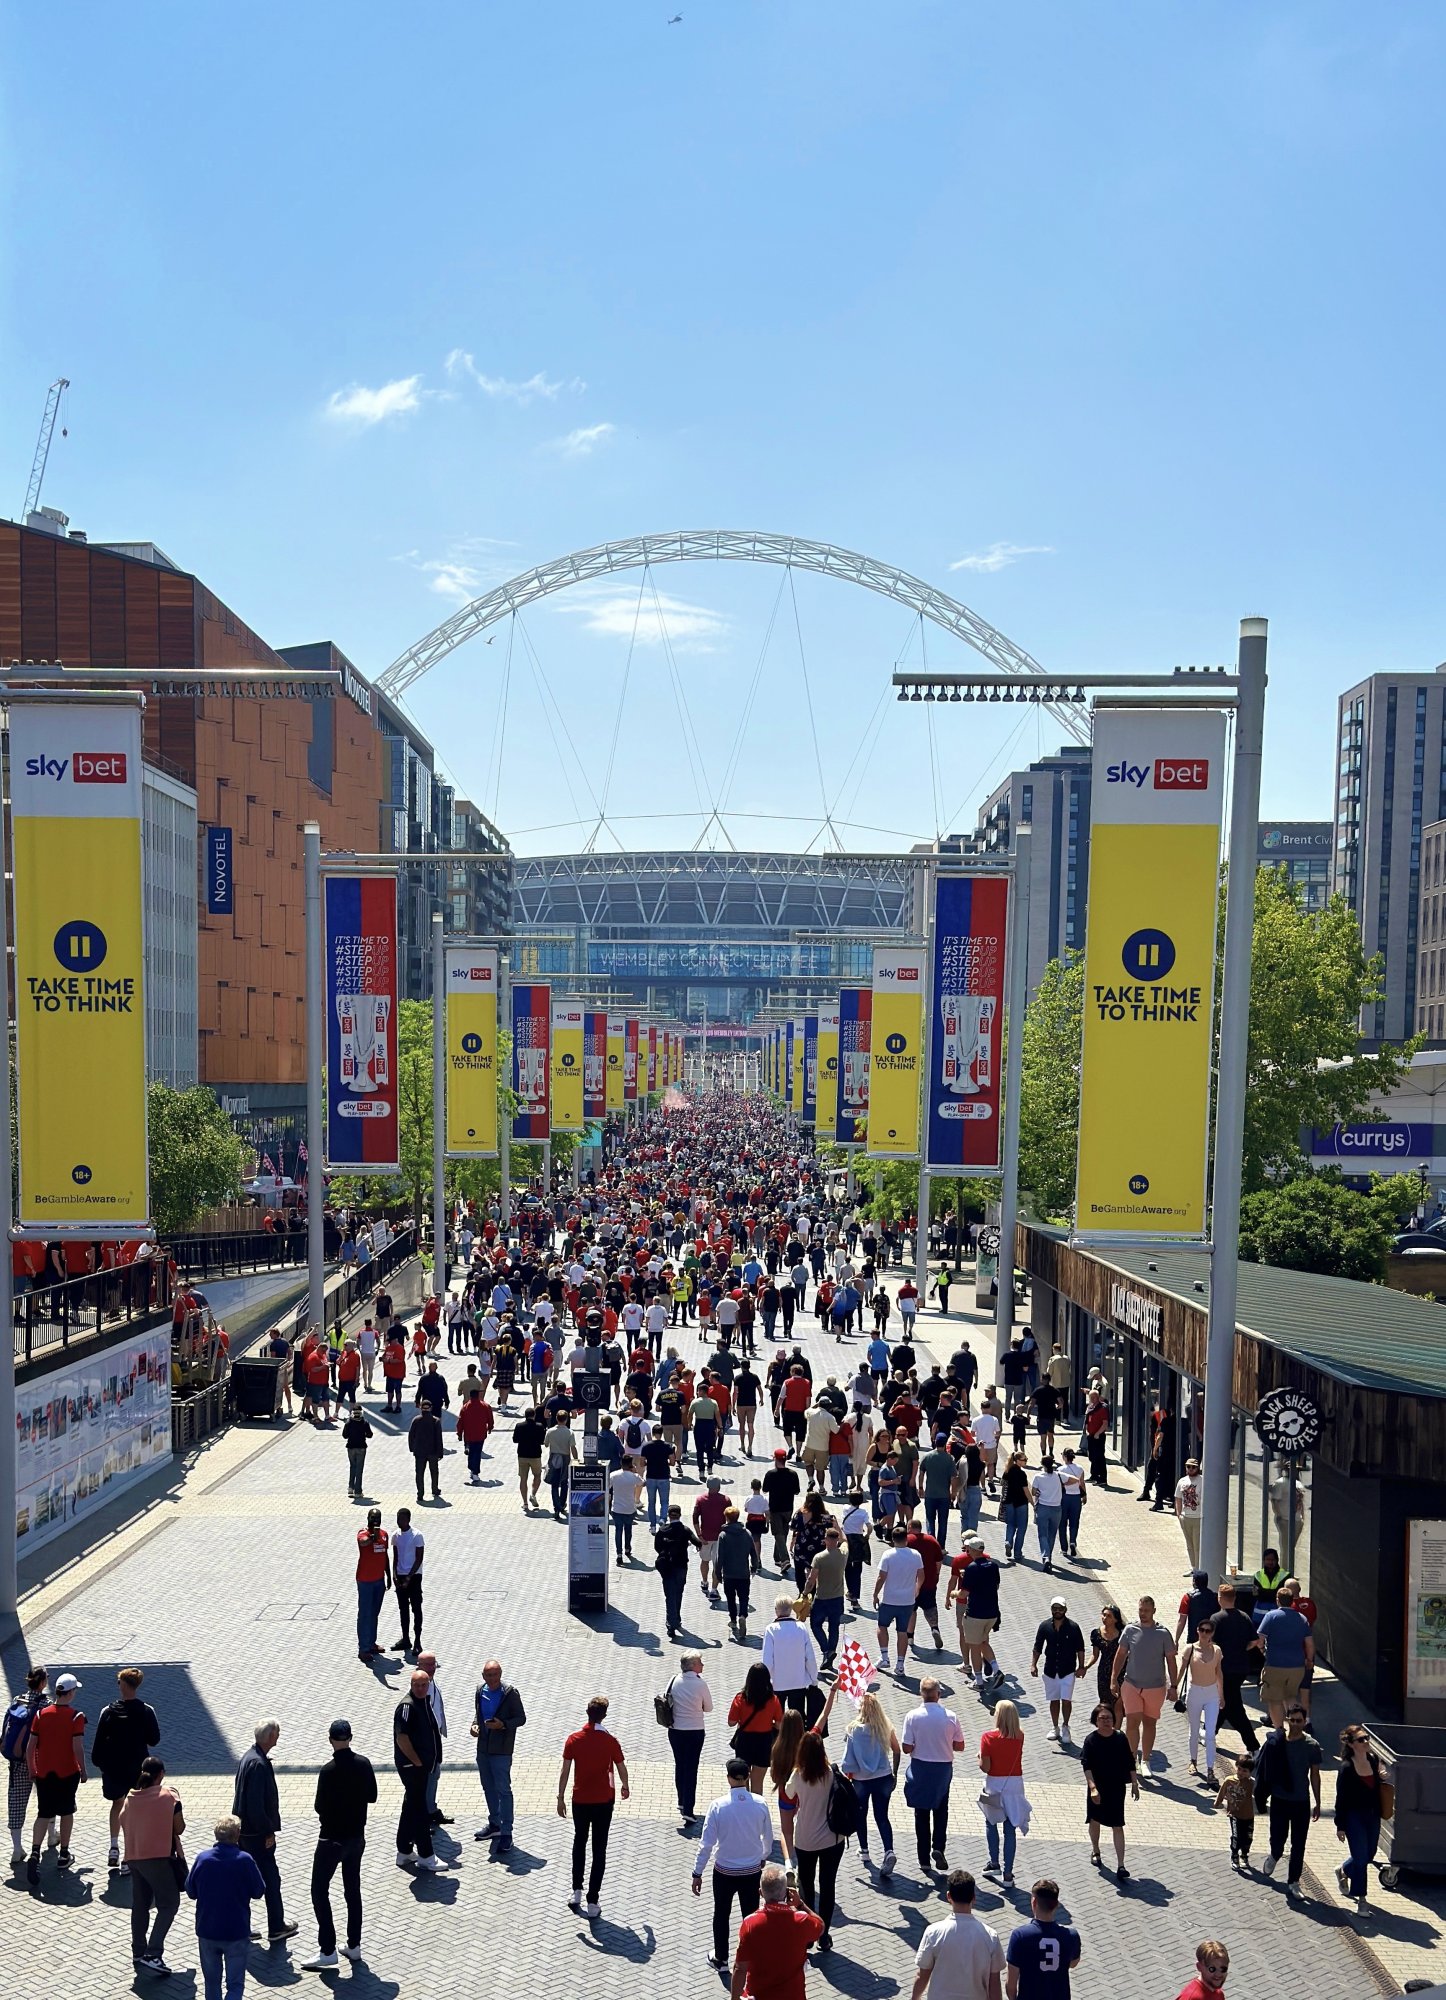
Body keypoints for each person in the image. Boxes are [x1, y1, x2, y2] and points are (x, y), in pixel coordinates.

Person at [301, 1719, 377, 1971]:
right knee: (352, 1891)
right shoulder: (364, 1764)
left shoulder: (328, 1771)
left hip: (331, 1839)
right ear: (351, 1737)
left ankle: (327, 1949)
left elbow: (319, 1806)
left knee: (319, 1890)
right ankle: (353, 1945)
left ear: (330, 1739)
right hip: (356, 1838)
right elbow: (373, 1796)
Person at [693, 1754, 775, 1972]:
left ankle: (721, 1958)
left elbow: (706, 1844)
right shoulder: (760, 1804)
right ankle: (751, 1957)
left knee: (721, 1914)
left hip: (724, 1872)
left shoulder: (718, 1806)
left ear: (729, 1778)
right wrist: (762, 1858)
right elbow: (768, 1838)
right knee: (751, 1916)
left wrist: (697, 1872)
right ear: (748, 1777)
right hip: (751, 1871)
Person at [558, 1694, 629, 1919]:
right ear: (604, 1715)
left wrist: (560, 1797)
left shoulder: (574, 1739)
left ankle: (576, 1890)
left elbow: (565, 1770)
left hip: (580, 1800)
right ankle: (593, 1899)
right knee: (599, 1849)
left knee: (579, 1842)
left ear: (587, 1713)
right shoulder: (610, 1741)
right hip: (603, 1801)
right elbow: (620, 1766)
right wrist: (625, 1786)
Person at [779, 1720, 844, 1951]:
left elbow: (787, 1793)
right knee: (828, 1886)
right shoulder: (830, 1773)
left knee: (806, 1885)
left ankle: (807, 1934)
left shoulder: (798, 1775)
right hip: (832, 1840)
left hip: (805, 1840)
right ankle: (823, 1935)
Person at [185, 1816, 266, 2000]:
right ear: (237, 1835)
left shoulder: (203, 1859)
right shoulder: (245, 1860)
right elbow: (259, 1891)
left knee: (212, 1983)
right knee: (235, 1984)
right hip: (236, 1931)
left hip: (207, 1930)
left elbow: (190, 1890)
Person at [120, 1756, 185, 1976]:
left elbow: (122, 1820)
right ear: (162, 1774)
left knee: (140, 1904)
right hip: (157, 1859)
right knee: (169, 1903)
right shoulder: (168, 1796)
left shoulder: (131, 1797)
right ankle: (153, 1953)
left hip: (134, 1858)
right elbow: (180, 1827)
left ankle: (138, 1951)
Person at [93, 1666, 161, 1872]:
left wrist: (102, 1765)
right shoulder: (147, 1710)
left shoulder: (108, 1711)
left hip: (114, 1769)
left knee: (117, 1805)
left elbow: (97, 1747)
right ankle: (128, 1856)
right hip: (137, 1768)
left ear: (123, 1684)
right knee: (134, 1810)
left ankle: (114, 1846)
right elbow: (154, 1739)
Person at [233, 1717, 295, 1942]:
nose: (277, 1741)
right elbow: (257, 1805)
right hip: (256, 1834)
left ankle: (242, 1926)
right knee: (271, 1879)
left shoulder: (248, 1757)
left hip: (243, 1832)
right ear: (269, 1737)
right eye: (276, 1736)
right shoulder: (259, 1764)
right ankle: (276, 1926)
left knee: (244, 1879)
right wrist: (268, 1831)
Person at [25, 1668, 88, 1882]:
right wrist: (84, 1770)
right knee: (66, 1811)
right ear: (70, 1693)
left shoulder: (41, 1714)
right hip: (67, 1772)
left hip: (44, 1773)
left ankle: (34, 1853)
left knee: (44, 1813)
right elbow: (77, 1747)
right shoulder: (76, 1717)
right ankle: (64, 1854)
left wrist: (32, 1769)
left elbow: (30, 1746)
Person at [1254, 1702, 1321, 1899]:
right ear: (1287, 1720)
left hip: (1301, 1801)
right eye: (1292, 1720)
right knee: (1278, 1838)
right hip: (1280, 1800)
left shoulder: (1312, 1746)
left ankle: (1293, 1881)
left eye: (1299, 1721)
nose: (1295, 1724)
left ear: (1304, 1721)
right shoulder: (1277, 1742)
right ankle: (1274, 1855)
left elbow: (1315, 1775)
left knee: (1299, 1844)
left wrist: (1317, 1801)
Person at [730, 1862, 824, 2000]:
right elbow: (821, 1927)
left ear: (761, 1893)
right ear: (786, 1892)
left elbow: (740, 1968)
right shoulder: (801, 1920)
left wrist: (734, 1998)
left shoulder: (750, 1923)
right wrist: (801, 1904)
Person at [902, 1678, 966, 1875]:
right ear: (938, 1694)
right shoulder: (950, 1717)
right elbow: (960, 1746)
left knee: (921, 1814)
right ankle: (938, 1846)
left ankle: (924, 1860)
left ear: (921, 1694)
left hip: (920, 1767)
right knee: (941, 1809)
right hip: (943, 1769)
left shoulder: (912, 1716)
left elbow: (906, 1748)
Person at [912, 1868, 1005, 2000]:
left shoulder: (933, 1932)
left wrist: (914, 1998)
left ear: (949, 1897)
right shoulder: (990, 1936)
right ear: (974, 1897)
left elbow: (922, 1975)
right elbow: (994, 1983)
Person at [1112, 1597, 1177, 1774]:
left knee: (1149, 1723)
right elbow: (1120, 1655)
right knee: (1132, 1722)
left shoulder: (1163, 1633)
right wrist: (1113, 1679)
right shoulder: (1130, 1630)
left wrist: (1174, 1686)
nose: (1143, 1614)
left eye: (1146, 1611)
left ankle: (1146, 1760)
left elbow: (1171, 1660)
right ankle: (1132, 1759)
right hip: (1131, 1685)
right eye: (1141, 1610)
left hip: (1155, 1688)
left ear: (1154, 1611)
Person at [470, 1658, 526, 1854]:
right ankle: (494, 1824)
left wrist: (502, 1724)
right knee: (488, 1787)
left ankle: (507, 1832)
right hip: (483, 1749)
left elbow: (521, 1718)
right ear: (483, 1676)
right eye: (488, 1675)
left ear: (500, 1675)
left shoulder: (509, 1693)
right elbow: (478, 1713)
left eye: (495, 1675)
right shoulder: (480, 1690)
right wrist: (475, 1725)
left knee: (503, 1790)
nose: (492, 1679)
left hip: (501, 1750)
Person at [841, 1690, 900, 1875]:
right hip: (883, 1777)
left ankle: (864, 1850)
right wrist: (895, 1773)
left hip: (861, 1780)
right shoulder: (885, 1726)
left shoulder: (853, 1730)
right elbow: (897, 1750)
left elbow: (847, 1761)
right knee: (882, 1816)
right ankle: (888, 1850)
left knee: (861, 1815)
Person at [1079, 1701, 1138, 1877]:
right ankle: (1096, 1851)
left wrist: (1134, 1783)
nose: (1106, 1721)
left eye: (1109, 1718)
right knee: (1094, 1820)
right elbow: (1086, 1766)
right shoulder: (1090, 1740)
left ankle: (1121, 1865)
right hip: (1098, 1787)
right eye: (1102, 1718)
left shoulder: (1120, 1738)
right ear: (1095, 1721)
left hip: (1117, 1788)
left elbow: (1130, 1762)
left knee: (1117, 1824)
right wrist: (1092, 1788)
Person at [393, 1668, 442, 1872]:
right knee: (420, 1811)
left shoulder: (425, 1701)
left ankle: (404, 1851)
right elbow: (402, 1738)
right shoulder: (407, 1706)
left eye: (424, 1685)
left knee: (411, 1805)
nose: (421, 1688)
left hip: (421, 1767)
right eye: (417, 1685)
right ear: (411, 1685)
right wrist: (417, 1762)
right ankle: (426, 1855)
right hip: (412, 1767)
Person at [1333, 1723, 1383, 1916]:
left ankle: (1344, 1869)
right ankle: (1362, 1900)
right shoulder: (1346, 1768)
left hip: (1373, 1815)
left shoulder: (1373, 1759)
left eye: (1367, 1738)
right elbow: (1341, 1797)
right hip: (1354, 1817)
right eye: (1361, 1739)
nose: (1366, 1742)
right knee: (1361, 1859)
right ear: (1352, 1744)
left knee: (1368, 1855)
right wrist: (1340, 1825)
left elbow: (1377, 1788)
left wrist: (1382, 1776)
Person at [978, 1700, 1030, 1885]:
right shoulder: (1020, 1736)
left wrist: (979, 1758)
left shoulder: (987, 1738)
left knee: (991, 1823)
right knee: (1010, 1830)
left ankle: (994, 1863)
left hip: (994, 1785)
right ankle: (1008, 1873)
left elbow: (986, 1767)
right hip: (1015, 1785)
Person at [1006, 1878, 1081, 2000]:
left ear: (1034, 1902)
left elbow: (1011, 1983)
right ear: (1056, 1905)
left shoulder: (1020, 1936)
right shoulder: (1071, 1935)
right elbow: (1073, 1963)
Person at [1252, 1585, 1315, 1727]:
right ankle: (1297, 1727)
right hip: (1297, 1666)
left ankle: (1279, 1731)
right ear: (1292, 1600)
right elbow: (1310, 1643)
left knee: (1274, 1700)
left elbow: (1259, 1640)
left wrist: (1263, 1651)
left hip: (1275, 1665)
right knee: (1290, 1697)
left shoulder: (1271, 1616)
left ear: (1277, 1600)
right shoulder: (1302, 1618)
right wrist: (1309, 1661)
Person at [1210, 1582, 1261, 1755]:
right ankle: (1210, 1732)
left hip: (1224, 1669)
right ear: (1234, 1598)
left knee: (1234, 1709)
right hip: (1241, 1668)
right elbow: (1254, 1641)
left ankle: (1253, 1745)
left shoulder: (1216, 1618)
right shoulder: (1244, 1617)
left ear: (1220, 1598)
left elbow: (1211, 1643)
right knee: (1225, 1702)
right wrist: (1242, 1649)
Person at [6, 1665, 47, 1866]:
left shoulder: (17, 1700)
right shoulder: (46, 1705)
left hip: (17, 1760)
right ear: (43, 1682)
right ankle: (51, 1835)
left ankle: (16, 1848)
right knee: (46, 1798)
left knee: (16, 1802)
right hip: (40, 1759)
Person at [1030, 1599, 1086, 1746]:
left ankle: (1066, 1726)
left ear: (1065, 1609)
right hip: (1050, 1670)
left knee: (1066, 1700)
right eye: (1055, 1608)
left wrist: (1081, 1666)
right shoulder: (1044, 1626)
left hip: (1068, 1671)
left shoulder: (1073, 1627)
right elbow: (1038, 1647)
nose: (1057, 1611)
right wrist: (1033, 1665)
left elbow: (1080, 1648)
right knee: (1054, 1700)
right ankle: (1055, 1727)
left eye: (1060, 1608)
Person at [874, 1523, 925, 1678]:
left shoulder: (888, 1555)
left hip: (889, 1599)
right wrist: (917, 1589)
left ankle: (884, 1658)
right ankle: (900, 1664)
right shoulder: (916, 1555)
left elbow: (881, 1577)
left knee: (882, 1626)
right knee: (902, 1632)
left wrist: (875, 1594)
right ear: (906, 1539)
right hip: (907, 1601)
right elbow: (921, 1575)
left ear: (893, 1539)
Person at [1178, 1618, 1225, 1783]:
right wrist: (1173, 1688)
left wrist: (1221, 1695)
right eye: (1202, 1630)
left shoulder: (1217, 1650)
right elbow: (1182, 1669)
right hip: (1195, 1692)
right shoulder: (1190, 1649)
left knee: (1211, 1733)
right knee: (1194, 1730)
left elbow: (1219, 1673)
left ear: (1212, 1633)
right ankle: (1193, 1761)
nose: (1205, 1633)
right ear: (1198, 1631)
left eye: (1208, 1631)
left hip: (1212, 1693)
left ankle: (1210, 1769)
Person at [667, 1652, 713, 1824]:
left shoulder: (673, 1680)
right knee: (691, 1768)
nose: (702, 1665)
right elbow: (708, 1708)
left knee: (680, 1765)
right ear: (693, 1665)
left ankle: (681, 1801)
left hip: (675, 1731)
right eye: (700, 1662)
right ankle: (688, 1809)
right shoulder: (700, 1684)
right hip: (694, 1731)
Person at [728, 1664, 783, 1795]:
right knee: (758, 1784)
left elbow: (731, 1722)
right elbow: (780, 1724)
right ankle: (757, 1812)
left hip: (744, 1741)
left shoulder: (740, 1698)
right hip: (764, 1742)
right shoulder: (773, 1700)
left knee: (742, 1782)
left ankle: (743, 1808)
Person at [761, 1595, 820, 1715]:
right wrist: (814, 1679)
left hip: (778, 1684)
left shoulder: (771, 1630)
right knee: (798, 1719)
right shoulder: (801, 1628)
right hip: (798, 1682)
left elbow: (767, 1661)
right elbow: (810, 1657)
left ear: (776, 1610)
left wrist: (765, 1682)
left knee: (777, 1720)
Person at [804, 1524, 849, 1674]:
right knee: (834, 1627)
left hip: (822, 1597)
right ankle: (830, 1652)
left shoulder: (819, 1557)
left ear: (825, 1540)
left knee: (815, 1625)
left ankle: (826, 1651)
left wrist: (804, 1593)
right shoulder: (843, 1553)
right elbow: (845, 1540)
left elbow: (812, 1579)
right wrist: (838, 1528)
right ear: (836, 1540)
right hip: (838, 1598)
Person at [654, 1503, 702, 1639]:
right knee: (678, 1592)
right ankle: (677, 1618)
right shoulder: (685, 1530)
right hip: (681, 1566)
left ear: (669, 1516)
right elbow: (697, 1542)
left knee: (669, 1595)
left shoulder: (662, 1530)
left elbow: (657, 1547)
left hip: (666, 1567)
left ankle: (671, 1624)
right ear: (680, 1515)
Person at [354, 1510, 391, 1662]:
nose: (376, 1520)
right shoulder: (363, 1533)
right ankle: (363, 1649)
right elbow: (364, 1543)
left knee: (374, 1613)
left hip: (379, 1580)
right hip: (365, 1581)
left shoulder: (384, 1534)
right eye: (373, 1518)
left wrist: (388, 1574)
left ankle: (371, 1643)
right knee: (365, 1614)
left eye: (378, 1518)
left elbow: (385, 1555)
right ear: (368, 1518)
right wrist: (372, 1536)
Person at [719, 1506, 758, 1636]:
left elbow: (720, 1556)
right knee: (743, 1597)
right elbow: (753, 1552)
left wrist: (718, 1572)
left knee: (730, 1598)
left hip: (729, 1574)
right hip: (743, 1573)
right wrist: (754, 1567)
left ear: (727, 1518)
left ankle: (733, 1620)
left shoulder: (723, 1535)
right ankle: (743, 1615)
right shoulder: (746, 1533)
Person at [1214, 1752, 1256, 1871]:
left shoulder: (1251, 1783)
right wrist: (1218, 1802)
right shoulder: (1229, 1780)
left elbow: (1259, 1792)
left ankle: (1244, 1855)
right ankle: (1235, 1856)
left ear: (1250, 1772)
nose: (1241, 1773)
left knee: (1248, 1838)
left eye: (1245, 1771)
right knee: (1236, 1837)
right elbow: (1222, 1791)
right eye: (1239, 1769)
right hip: (1234, 1814)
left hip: (1248, 1815)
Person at [393, 1507, 425, 1654]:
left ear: (408, 1519)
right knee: (403, 1609)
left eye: (402, 1518)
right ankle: (405, 1638)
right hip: (400, 1576)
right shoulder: (395, 1536)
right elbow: (395, 1557)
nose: (400, 1521)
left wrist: (409, 1577)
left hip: (414, 1577)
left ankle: (417, 1640)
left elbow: (419, 1559)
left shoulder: (417, 1535)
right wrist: (394, 1575)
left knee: (416, 1608)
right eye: (398, 1518)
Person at [1084, 1605, 1124, 1724]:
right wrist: (1085, 1666)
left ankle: (1116, 1733)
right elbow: (1095, 1655)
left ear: (1115, 1619)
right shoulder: (1097, 1633)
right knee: (1105, 1704)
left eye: (1109, 1616)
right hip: (1103, 1673)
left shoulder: (1123, 1634)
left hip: (1121, 1672)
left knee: (1118, 1704)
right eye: (1104, 1615)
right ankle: (1106, 1728)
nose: (1105, 1618)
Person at [609, 1456, 645, 1565]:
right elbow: (643, 1483)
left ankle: (619, 1554)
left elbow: (606, 1486)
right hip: (630, 1509)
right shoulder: (634, 1477)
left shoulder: (614, 1475)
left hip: (617, 1509)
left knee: (618, 1531)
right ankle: (627, 1549)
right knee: (628, 1530)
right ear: (630, 1464)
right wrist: (635, 1471)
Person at [454, 1386, 493, 1483]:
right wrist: (490, 1428)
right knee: (477, 1452)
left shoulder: (465, 1407)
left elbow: (460, 1422)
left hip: (468, 1434)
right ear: (478, 1395)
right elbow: (490, 1419)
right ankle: (475, 1471)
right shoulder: (485, 1406)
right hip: (480, 1434)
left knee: (471, 1452)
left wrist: (459, 1433)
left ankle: (471, 1467)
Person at [407, 1400, 444, 1505]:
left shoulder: (416, 1420)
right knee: (434, 1472)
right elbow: (439, 1439)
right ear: (431, 1408)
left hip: (419, 1452)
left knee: (419, 1473)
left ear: (421, 1408)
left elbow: (411, 1436)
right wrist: (440, 1453)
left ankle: (420, 1494)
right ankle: (435, 1489)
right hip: (432, 1452)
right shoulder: (435, 1421)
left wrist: (412, 1448)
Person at [544, 1411, 579, 1518]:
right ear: (566, 1419)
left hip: (554, 1457)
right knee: (564, 1482)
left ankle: (556, 1507)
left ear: (556, 1418)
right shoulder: (569, 1432)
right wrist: (576, 1459)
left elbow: (546, 1444)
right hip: (565, 1458)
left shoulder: (550, 1431)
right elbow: (573, 1448)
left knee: (554, 1484)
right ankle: (562, 1503)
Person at [999, 1451, 1031, 1564]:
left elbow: (1002, 1483)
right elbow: (1026, 1490)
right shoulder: (1022, 1474)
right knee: (1021, 1528)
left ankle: (1008, 1542)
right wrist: (1032, 1502)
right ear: (1017, 1460)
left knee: (1010, 1524)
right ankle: (1017, 1553)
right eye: (1024, 1459)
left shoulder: (1008, 1471)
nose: (1025, 1461)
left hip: (1009, 1502)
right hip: (1021, 1503)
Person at [1174, 1458, 1203, 1568]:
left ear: (1197, 1468)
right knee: (1189, 1545)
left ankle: (1199, 1567)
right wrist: (1179, 1514)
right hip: (1185, 1517)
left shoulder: (1202, 1480)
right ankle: (1193, 1567)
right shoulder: (1182, 1481)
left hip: (1198, 1517)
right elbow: (1178, 1498)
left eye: (1193, 1467)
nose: (1191, 1469)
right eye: (1188, 1466)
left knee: (1197, 1545)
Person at [341, 1407, 373, 1496]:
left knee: (352, 1467)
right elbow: (370, 1435)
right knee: (359, 1469)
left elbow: (344, 1435)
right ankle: (358, 1491)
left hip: (351, 1447)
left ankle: (351, 1488)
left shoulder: (349, 1423)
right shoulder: (364, 1423)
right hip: (361, 1448)